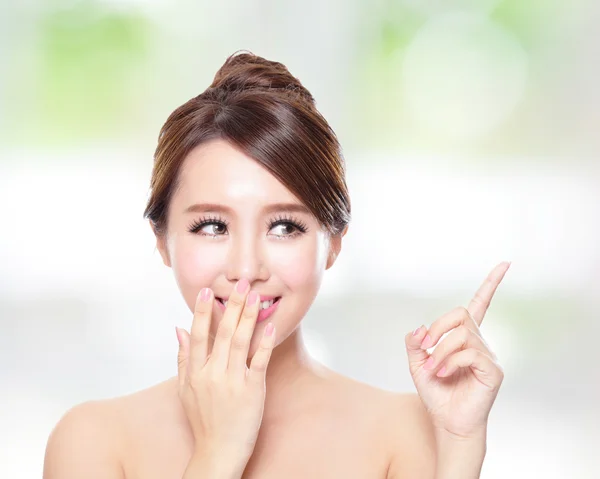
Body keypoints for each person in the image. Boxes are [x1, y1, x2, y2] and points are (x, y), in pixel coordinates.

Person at [43, 51, 510, 479]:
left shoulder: (406, 431)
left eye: (284, 227)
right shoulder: (93, 442)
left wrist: (460, 445)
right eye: (212, 225)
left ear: (333, 244)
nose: (247, 268)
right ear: (162, 240)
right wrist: (218, 451)